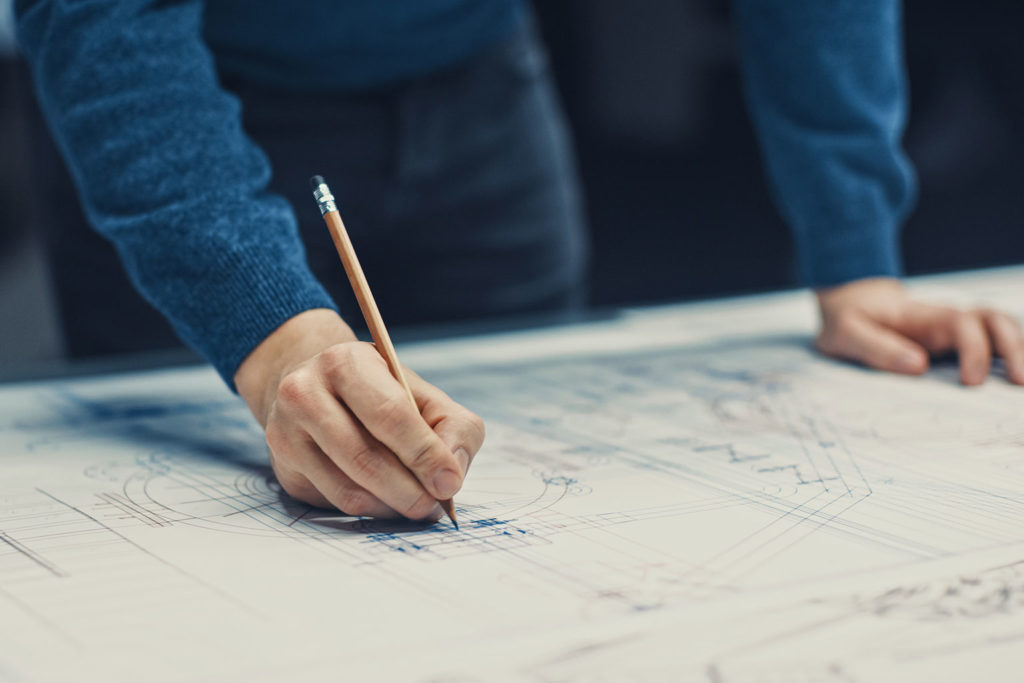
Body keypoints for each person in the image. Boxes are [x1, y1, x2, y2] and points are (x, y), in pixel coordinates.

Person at [15, 0, 1024, 521]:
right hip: (186, 110)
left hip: (484, 84)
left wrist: (855, 253)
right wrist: (265, 327)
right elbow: (103, 17)